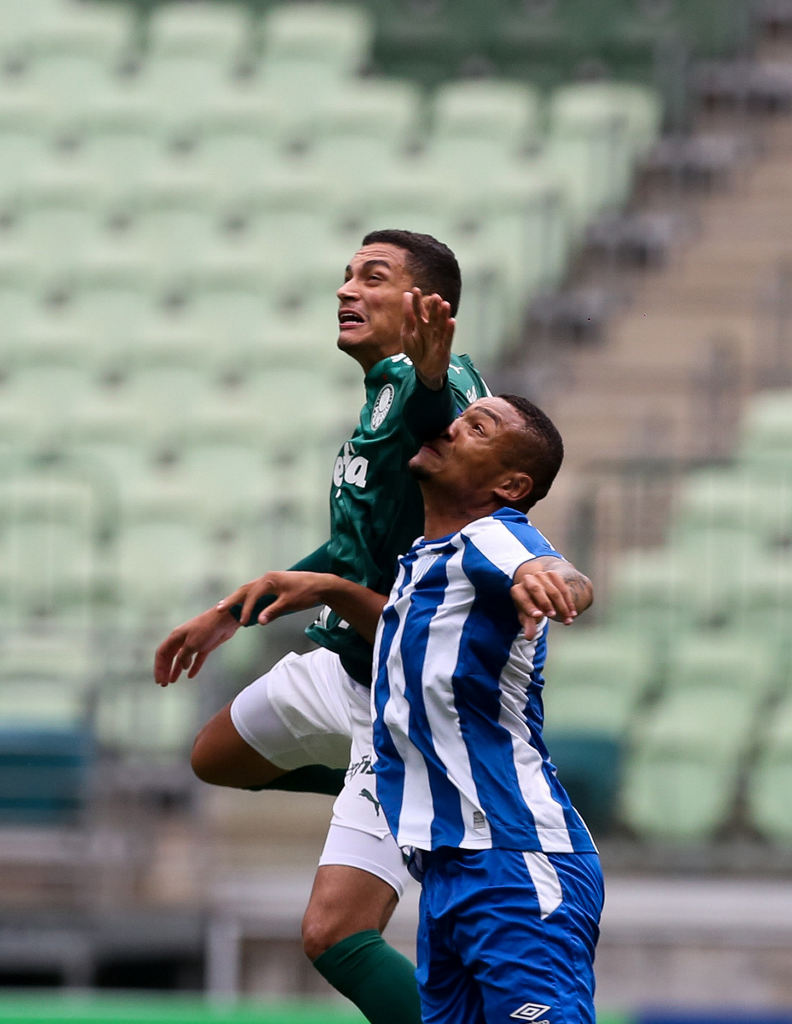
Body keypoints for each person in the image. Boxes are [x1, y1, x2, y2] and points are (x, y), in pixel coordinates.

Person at [155, 234, 593, 1024]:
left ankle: (405, 779)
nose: (347, 290)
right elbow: (363, 547)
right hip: (349, 657)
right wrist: (240, 609)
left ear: (425, 304)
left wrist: (430, 381)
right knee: (212, 755)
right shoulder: (395, 406)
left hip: (394, 704)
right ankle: (407, 787)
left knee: (333, 932)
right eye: (347, 275)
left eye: (373, 278)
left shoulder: (443, 405)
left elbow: (524, 540)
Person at [259, 394, 601, 1024]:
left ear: (510, 486)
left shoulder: (491, 536)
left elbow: (556, 570)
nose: (449, 426)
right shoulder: (425, 562)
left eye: (477, 427)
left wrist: (555, 582)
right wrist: (327, 586)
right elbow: (397, 629)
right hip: (448, 870)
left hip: (514, 860)